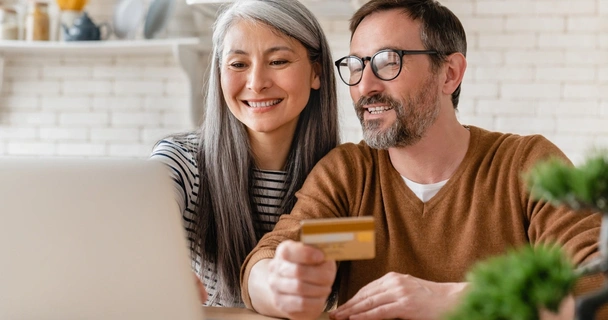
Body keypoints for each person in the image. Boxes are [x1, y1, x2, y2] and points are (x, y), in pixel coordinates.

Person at [240, 0, 603, 319]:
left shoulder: (524, 165)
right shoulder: (350, 175)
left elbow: (593, 282)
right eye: (355, 66)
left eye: (387, 62)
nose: (365, 86)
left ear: (449, 74)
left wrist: (450, 299)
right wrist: (278, 283)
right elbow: (268, 258)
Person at [150, 0, 339, 307]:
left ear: (316, 72)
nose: (257, 83)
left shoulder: (342, 176)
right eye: (238, 64)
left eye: (278, 62)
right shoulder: (183, 162)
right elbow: (145, 221)